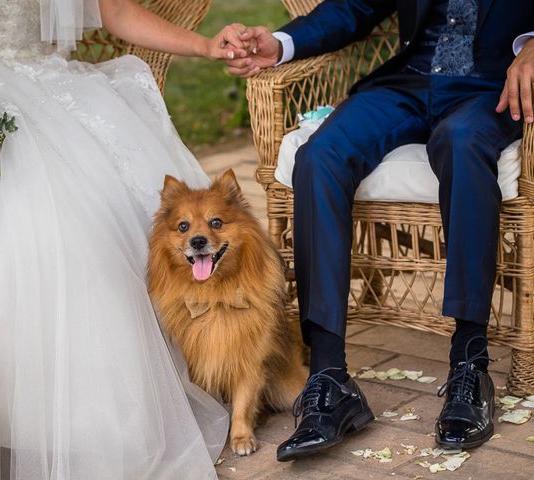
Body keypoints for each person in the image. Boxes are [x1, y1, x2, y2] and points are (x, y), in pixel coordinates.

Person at [0, 0, 249, 478]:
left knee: (94, 216)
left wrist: (206, 46)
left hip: (46, 90)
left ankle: (72, 415)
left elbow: (115, 10)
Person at [225, 0, 534, 462]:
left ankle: (470, 366)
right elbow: (354, 6)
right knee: (320, 156)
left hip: (492, 87)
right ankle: (330, 380)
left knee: (462, 142)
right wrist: (280, 43)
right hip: (406, 82)